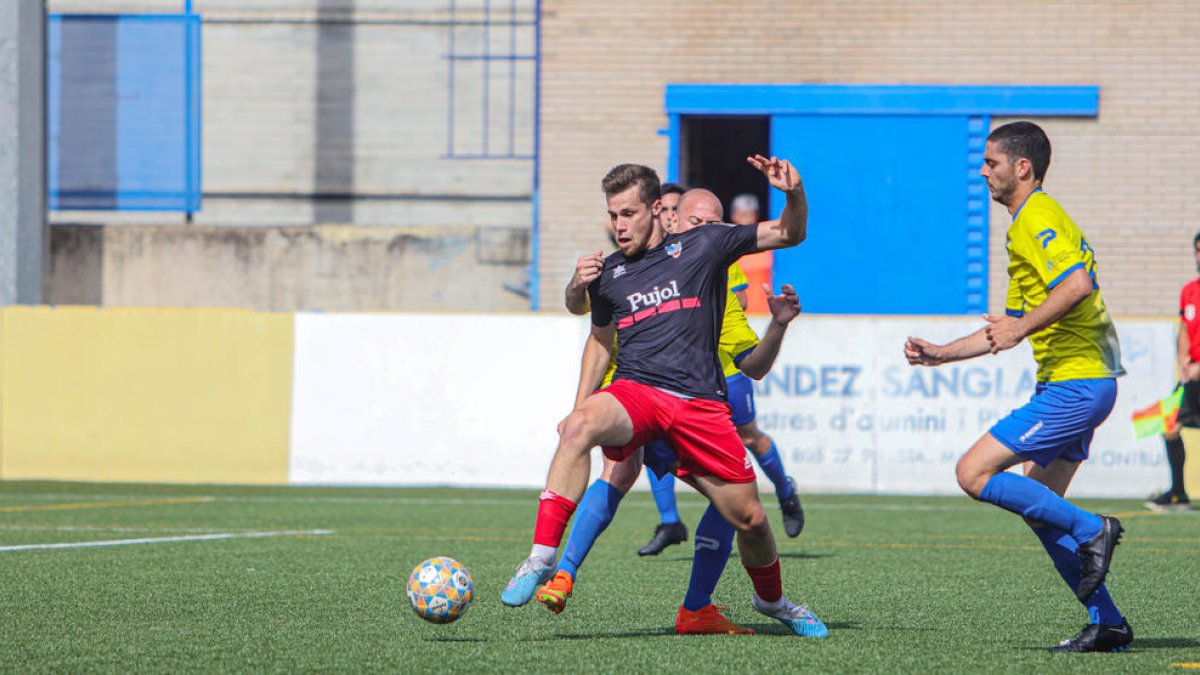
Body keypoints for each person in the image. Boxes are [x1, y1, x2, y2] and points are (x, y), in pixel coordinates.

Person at [504, 156, 828, 637]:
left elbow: (788, 234)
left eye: (628, 214)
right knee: (578, 429)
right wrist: (581, 400)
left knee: (751, 519)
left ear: (657, 210)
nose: (618, 226)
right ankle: (543, 560)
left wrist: (793, 194)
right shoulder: (611, 273)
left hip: (699, 404)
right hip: (637, 391)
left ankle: (772, 601)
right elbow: (598, 336)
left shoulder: (706, 243)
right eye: (612, 216)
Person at [904, 121, 1131, 653]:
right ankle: (1109, 623)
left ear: (1021, 167)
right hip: (1073, 381)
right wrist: (941, 353)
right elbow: (1004, 330)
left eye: (991, 162)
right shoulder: (1022, 228)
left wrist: (1020, 326)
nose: (983, 171)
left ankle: (1095, 528)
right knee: (1039, 506)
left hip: (1078, 383)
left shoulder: (1037, 215)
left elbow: (1078, 285)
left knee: (972, 471)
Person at [637, 194, 805, 556]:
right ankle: (669, 521)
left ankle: (785, 491)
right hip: (678, 379)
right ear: (670, 221)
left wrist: (702, 304)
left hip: (726, 369)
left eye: (708, 224)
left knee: (748, 440)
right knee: (649, 442)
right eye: (667, 212)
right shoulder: (648, 266)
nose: (701, 231)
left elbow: (741, 302)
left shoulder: (719, 254)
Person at [1148, 233, 1200, 510]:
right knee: (1168, 426)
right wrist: (1183, 360)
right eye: (1198, 251)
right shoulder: (1189, 290)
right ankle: (1178, 494)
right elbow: (1184, 329)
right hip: (1191, 377)